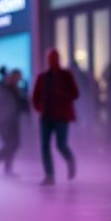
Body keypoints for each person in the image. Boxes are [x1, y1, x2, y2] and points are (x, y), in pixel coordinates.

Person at [32, 49, 79, 185]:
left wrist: (61, 95)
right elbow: (35, 97)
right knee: (45, 146)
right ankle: (49, 176)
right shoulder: (43, 77)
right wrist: (40, 108)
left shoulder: (66, 75)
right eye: (51, 58)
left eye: (55, 58)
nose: (53, 61)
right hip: (46, 116)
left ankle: (69, 162)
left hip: (61, 116)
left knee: (61, 144)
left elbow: (75, 94)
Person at [0, 67, 27, 175]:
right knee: (10, 144)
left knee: (14, 144)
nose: (18, 81)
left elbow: (21, 104)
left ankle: (6, 168)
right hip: (2, 120)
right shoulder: (1, 88)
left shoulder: (13, 88)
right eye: (17, 78)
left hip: (12, 120)